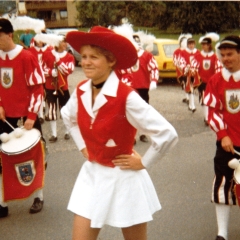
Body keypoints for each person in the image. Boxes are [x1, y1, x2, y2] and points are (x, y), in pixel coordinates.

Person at [61, 26, 178, 240]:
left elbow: (167, 133)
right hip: (93, 175)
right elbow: (67, 117)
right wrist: (82, 146)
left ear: (111, 61)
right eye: (84, 56)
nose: (85, 62)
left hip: (123, 177)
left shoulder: (127, 96)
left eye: (93, 57)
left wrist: (144, 162)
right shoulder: (80, 90)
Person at [0, 19, 45, 218]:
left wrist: (32, 115)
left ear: (9, 35)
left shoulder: (27, 56)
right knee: (2, 159)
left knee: (32, 158)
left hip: (26, 117)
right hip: (3, 117)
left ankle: (38, 196)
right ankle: (1, 201)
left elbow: (37, 88)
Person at [204, 35, 240, 240]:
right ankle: (222, 233)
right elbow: (212, 110)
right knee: (223, 184)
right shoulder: (216, 80)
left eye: (230, 54)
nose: (226, 58)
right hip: (227, 145)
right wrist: (223, 134)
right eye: (223, 55)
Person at [119, 33, 159, 143]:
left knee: (143, 111)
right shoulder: (126, 56)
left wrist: (154, 81)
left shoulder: (147, 55)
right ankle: (132, 136)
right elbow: (121, 71)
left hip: (142, 87)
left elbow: (154, 68)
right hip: (129, 88)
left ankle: (143, 133)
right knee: (130, 112)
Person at [42, 37, 75, 143]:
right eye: (63, 42)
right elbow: (41, 69)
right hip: (50, 86)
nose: (65, 44)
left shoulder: (69, 56)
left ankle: (66, 132)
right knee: (51, 109)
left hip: (63, 88)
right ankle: (54, 134)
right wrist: (51, 72)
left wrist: (58, 61)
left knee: (65, 110)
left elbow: (69, 70)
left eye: (66, 42)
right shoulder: (47, 54)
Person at [191, 33, 222, 125]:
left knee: (213, 99)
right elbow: (194, 67)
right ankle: (206, 118)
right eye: (202, 45)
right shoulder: (198, 56)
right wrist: (193, 71)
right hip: (202, 82)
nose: (203, 46)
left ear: (209, 45)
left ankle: (212, 116)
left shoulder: (215, 57)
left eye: (205, 45)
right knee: (204, 99)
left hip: (213, 82)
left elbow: (218, 69)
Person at [29, 32, 53, 124]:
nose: (40, 42)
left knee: (48, 95)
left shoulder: (48, 50)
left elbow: (50, 63)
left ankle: (47, 113)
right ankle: (40, 115)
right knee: (39, 94)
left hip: (46, 76)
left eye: (42, 40)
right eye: (38, 40)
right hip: (36, 76)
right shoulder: (31, 51)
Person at [183, 37, 201, 112]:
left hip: (197, 73)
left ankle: (191, 105)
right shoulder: (184, 52)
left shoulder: (198, 52)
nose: (191, 46)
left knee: (195, 88)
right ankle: (192, 105)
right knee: (191, 88)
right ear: (187, 45)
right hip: (188, 73)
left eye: (192, 44)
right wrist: (186, 68)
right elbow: (182, 62)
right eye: (190, 44)